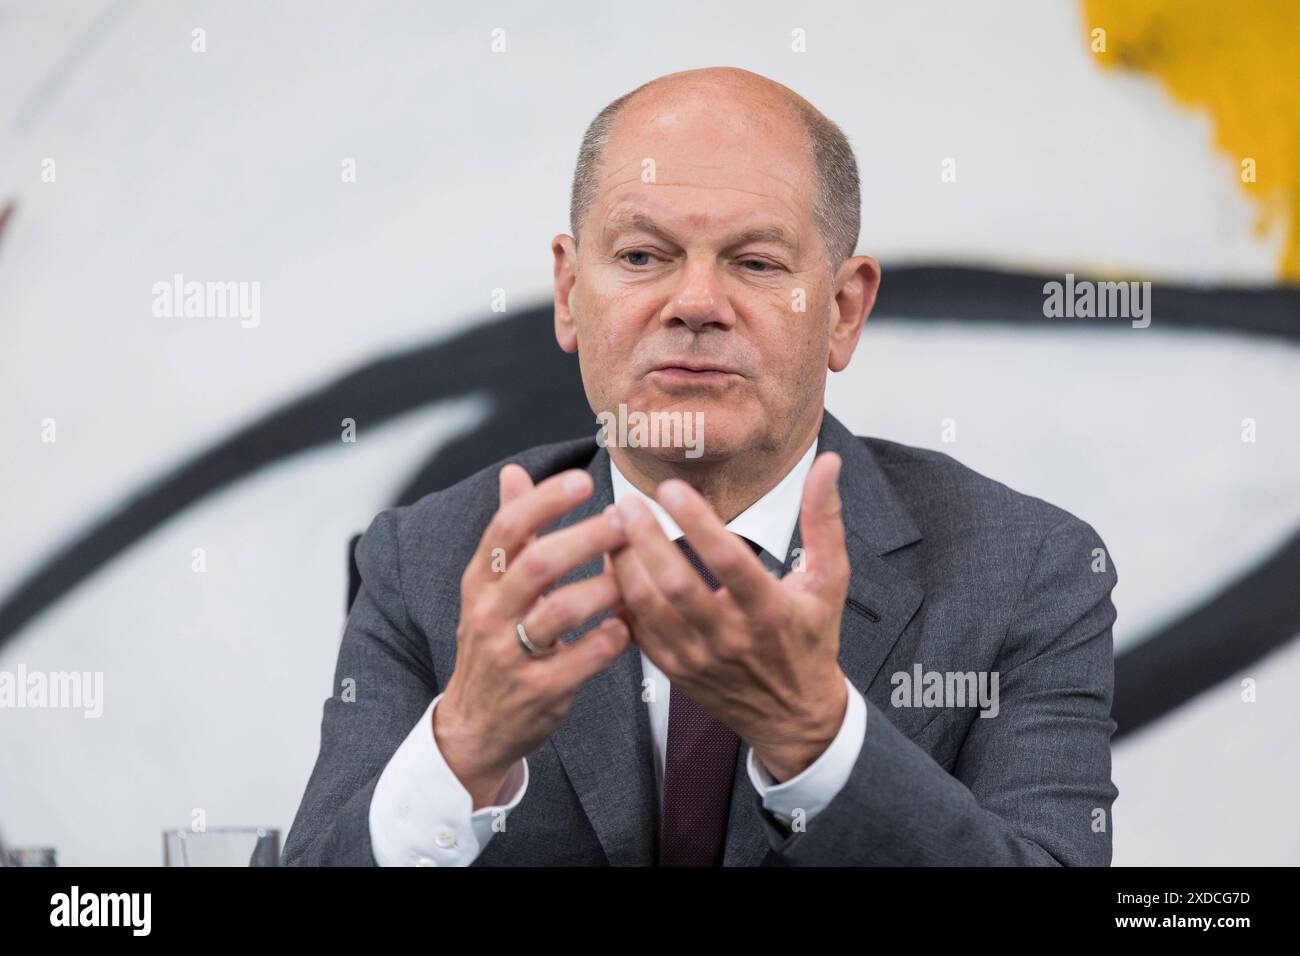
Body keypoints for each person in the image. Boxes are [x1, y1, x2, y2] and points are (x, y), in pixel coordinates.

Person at [283, 66, 1119, 866]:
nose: (695, 304)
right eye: (643, 256)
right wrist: (458, 752)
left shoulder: (1028, 570)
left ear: (842, 310)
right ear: (569, 293)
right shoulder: (420, 562)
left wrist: (816, 742)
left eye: (756, 263)